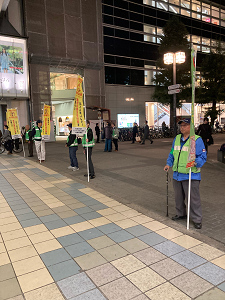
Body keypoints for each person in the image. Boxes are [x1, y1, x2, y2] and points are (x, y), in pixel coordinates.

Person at [164, 117, 207, 229]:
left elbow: (203, 157)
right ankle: (181, 214)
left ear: (191, 127)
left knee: (193, 198)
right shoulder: (177, 138)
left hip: (191, 175)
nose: (182, 128)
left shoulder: (196, 140)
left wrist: (196, 162)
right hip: (177, 174)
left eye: (184, 125)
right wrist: (168, 164)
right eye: (181, 125)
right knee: (178, 197)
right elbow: (172, 153)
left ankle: (197, 219)